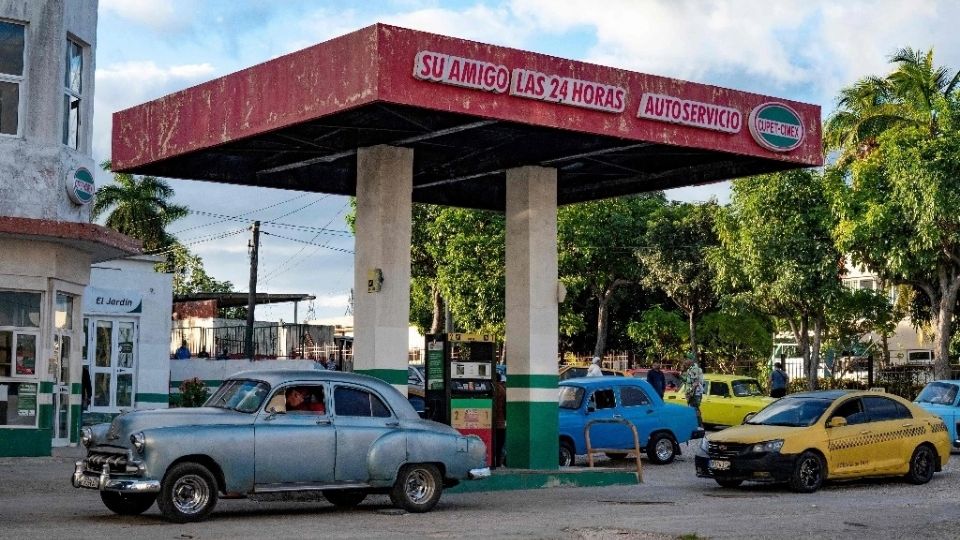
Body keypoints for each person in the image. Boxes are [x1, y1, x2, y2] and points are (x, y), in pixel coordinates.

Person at [681, 356, 705, 427]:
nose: (684, 361)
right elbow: (687, 381)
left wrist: (690, 392)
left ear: (690, 360)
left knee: (695, 409)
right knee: (693, 409)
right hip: (692, 392)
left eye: (686, 359)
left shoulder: (695, 369)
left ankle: (699, 425)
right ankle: (697, 425)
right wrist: (681, 374)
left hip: (694, 393)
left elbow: (696, 383)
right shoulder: (690, 369)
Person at [493, 372, 507, 468]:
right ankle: (498, 463)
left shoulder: (494, 389)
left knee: (494, 445)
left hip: (493, 422)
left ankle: (495, 463)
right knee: (499, 445)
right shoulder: (502, 390)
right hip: (501, 423)